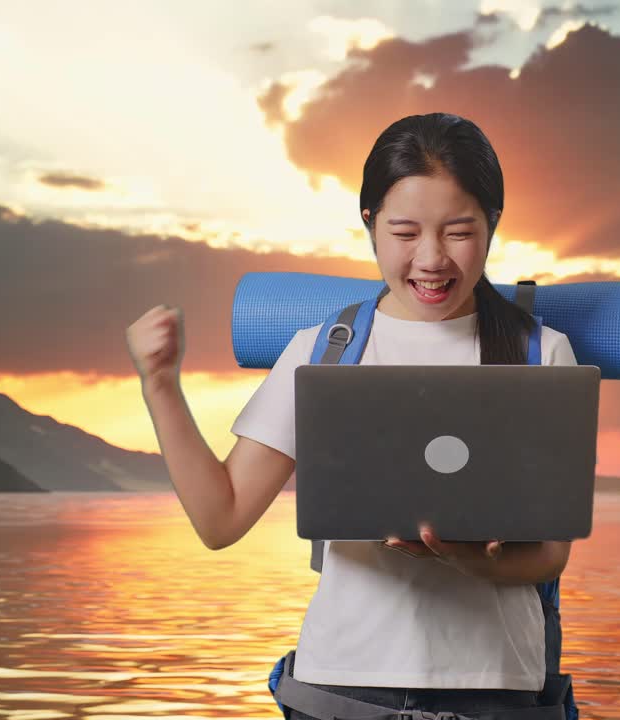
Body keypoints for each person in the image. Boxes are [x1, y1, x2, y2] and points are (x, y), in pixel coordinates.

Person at [125, 112, 579, 718]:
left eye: (458, 231)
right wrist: (159, 384)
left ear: (493, 224)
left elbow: (551, 554)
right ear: (369, 223)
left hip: (495, 686)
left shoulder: (540, 354)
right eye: (404, 231)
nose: (431, 258)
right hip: (341, 683)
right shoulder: (326, 350)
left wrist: (467, 558)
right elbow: (221, 517)